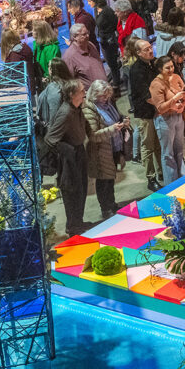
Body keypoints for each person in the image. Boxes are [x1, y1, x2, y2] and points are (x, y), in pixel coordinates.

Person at [46, 80, 90, 236]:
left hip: (79, 152)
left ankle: (78, 221)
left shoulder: (77, 109)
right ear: (72, 94)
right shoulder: (65, 112)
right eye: (82, 91)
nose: (85, 93)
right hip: (70, 158)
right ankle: (72, 226)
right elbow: (50, 139)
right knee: (72, 191)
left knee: (82, 188)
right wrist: (68, 151)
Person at [82, 80, 126, 221]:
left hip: (112, 147)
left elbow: (116, 118)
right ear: (94, 95)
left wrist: (124, 121)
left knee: (111, 178)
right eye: (103, 96)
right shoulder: (89, 110)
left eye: (107, 95)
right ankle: (105, 208)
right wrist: (112, 129)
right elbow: (93, 135)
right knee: (103, 181)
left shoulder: (108, 105)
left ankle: (112, 204)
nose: (106, 99)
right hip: (100, 151)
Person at [128, 39, 163, 191]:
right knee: (148, 146)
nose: (150, 51)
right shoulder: (136, 70)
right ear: (138, 53)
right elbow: (145, 94)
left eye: (151, 47)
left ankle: (162, 171)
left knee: (159, 144)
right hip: (145, 112)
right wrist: (162, 105)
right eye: (146, 49)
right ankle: (151, 177)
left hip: (157, 110)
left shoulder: (153, 64)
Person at [149, 56, 185, 186]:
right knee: (168, 154)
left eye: (172, 66)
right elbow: (160, 107)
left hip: (178, 117)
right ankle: (172, 184)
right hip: (164, 120)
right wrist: (175, 99)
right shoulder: (156, 84)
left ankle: (183, 178)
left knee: (179, 150)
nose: (171, 69)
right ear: (160, 69)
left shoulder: (176, 78)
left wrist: (184, 98)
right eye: (168, 67)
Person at [86, 0, 121, 88]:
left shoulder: (107, 11)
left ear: (95, 0)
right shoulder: (96, 10)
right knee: (109, 61)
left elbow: (115, 24)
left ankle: (116, 84)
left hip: (110, 40)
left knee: (112, 62)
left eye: (90, 1)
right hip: (103, 39)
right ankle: (115, 79)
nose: (88, 3)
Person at [154, 8, 185, 85]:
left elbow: (158, 54)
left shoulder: (159, 34)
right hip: (177, 76)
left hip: (163, 74)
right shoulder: (182, 37)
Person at [62, 22, 107, 89]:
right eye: (84, 34)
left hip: (103, 90)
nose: (88, 36)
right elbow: (68, 82)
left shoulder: (90, 45)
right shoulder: (69, 57)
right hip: (89, 96)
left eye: (87, 33)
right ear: (75, 37)